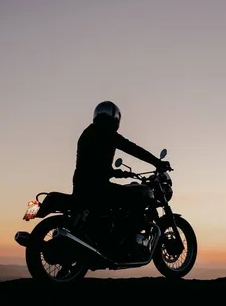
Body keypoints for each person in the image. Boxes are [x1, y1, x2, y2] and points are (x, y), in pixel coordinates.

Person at [71, 100, 171, 255]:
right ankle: (125, 243)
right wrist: (157, 162)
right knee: (136, 197)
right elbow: (133, 149)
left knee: (117, 205)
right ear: (115, 118)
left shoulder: (89, 133)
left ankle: (113, 239)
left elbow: (95, 165)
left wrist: (120, 173)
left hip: (83, 184)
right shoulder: (107, 134)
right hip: (96, 186)